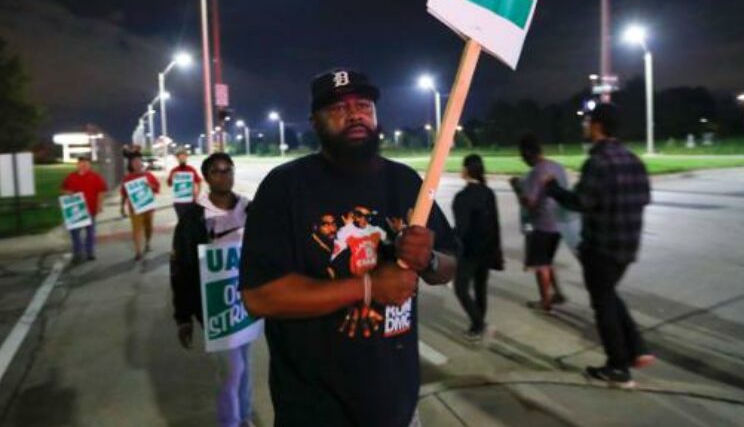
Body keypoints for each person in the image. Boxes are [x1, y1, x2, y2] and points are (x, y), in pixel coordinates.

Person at [239, 69, 458, 427]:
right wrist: (369, 286)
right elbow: (260, 296)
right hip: (314, 408)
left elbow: (449, 264)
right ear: (315, 121)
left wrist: (428, 259)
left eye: (363, 105)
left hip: (397, 405)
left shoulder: (404, 182)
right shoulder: (285, 187)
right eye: (337, 107)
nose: (354, 113)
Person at [545, 103, 654, 388]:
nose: (585, 126)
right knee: (609, 294)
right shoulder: (634, 160)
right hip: (627, 247)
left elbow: (580, 202)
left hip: (601, 247)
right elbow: (642, 199)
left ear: (597, 126)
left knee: (602, 304)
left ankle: (617, 366)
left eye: (588, 122)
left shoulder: (599, 162)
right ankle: (638, 347)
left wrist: (552, 189)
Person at [170, 152, 254, 427]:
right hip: (214, 306)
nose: (224, 175)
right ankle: (229, 422)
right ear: (206, 177)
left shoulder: (248, 209)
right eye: (217, 171)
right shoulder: (194, 218)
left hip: (247, 303)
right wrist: (183, 317)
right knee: (232, 370)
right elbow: (181, 268)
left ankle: (244, 417)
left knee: (245, 365)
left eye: (228, 170)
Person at [509, 133, 569, 313]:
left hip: (542, 225)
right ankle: (557, 293)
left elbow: (530, 203)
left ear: (528, 153)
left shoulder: (537, 171)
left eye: (522, 155)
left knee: (540, 265)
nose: (522, 159)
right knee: (547, 261)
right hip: (559, 224)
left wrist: (517, 189)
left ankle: (546, 302)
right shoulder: (557, 167)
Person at [452, 154, 504, 341]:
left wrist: (452, 248)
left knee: (461, 288)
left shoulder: (462, 197)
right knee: (480, 288)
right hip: (487, 248)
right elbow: (495, 224)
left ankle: (479, 324)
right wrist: (497, 251)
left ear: (466, 170)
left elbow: (461, 229)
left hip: (470, 251)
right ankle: (478, 323)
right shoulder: (488, 193)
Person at [60, 156, 108, 262]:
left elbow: (101, 191)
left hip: (90, 209)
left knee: (90, 233)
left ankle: (89, 252)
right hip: (75, 211)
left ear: (89, 165)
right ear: (77, 165)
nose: (83, 166)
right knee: (75, 233)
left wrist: (99, 205)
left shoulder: (95, 177)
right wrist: (67, 192)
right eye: (81, 164)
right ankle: (78, 253)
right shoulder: (71, 177)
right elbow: (63, 189)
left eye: (86, 164)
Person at [120, 154, 161, 261]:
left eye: (138, 162)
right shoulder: (127, 178)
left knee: (149, 228)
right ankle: (138, 252)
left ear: (141, 163)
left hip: (148, 207)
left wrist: (151, 187)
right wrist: (122, 207)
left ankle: (147, 242)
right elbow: (124, 193)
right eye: (134, 163)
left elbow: (157, 187)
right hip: (135, 208)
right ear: (131, 165)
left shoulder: (149, 175)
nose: (137, 164)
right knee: (136, 230)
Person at [167, 149, 203, 220]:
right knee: (181, 221)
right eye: (180, 158)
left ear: (186, 158)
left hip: (191, 200)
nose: (182, 159)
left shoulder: (191, 169)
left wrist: (197, 194)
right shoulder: (174, 171)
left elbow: (199, 182)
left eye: (184, 157)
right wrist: (172, 178)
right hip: (179, 201)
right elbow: (169, 184)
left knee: (192, 221)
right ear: (177, 159)